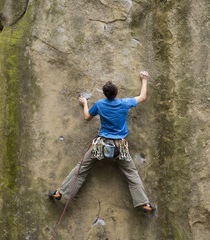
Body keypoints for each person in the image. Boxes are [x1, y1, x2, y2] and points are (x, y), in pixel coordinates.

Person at [50, 71, 156, 213]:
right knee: (132, 174)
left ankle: (60, 193)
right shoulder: (124, 103)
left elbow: (87, 117)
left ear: (105, 94)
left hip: (101, 146)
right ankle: (144, 203)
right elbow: (142, 97)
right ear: (116, 93)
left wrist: (85, 103)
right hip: (120, 147)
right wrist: (144, 79)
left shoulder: (100, 104)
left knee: (81, 169)